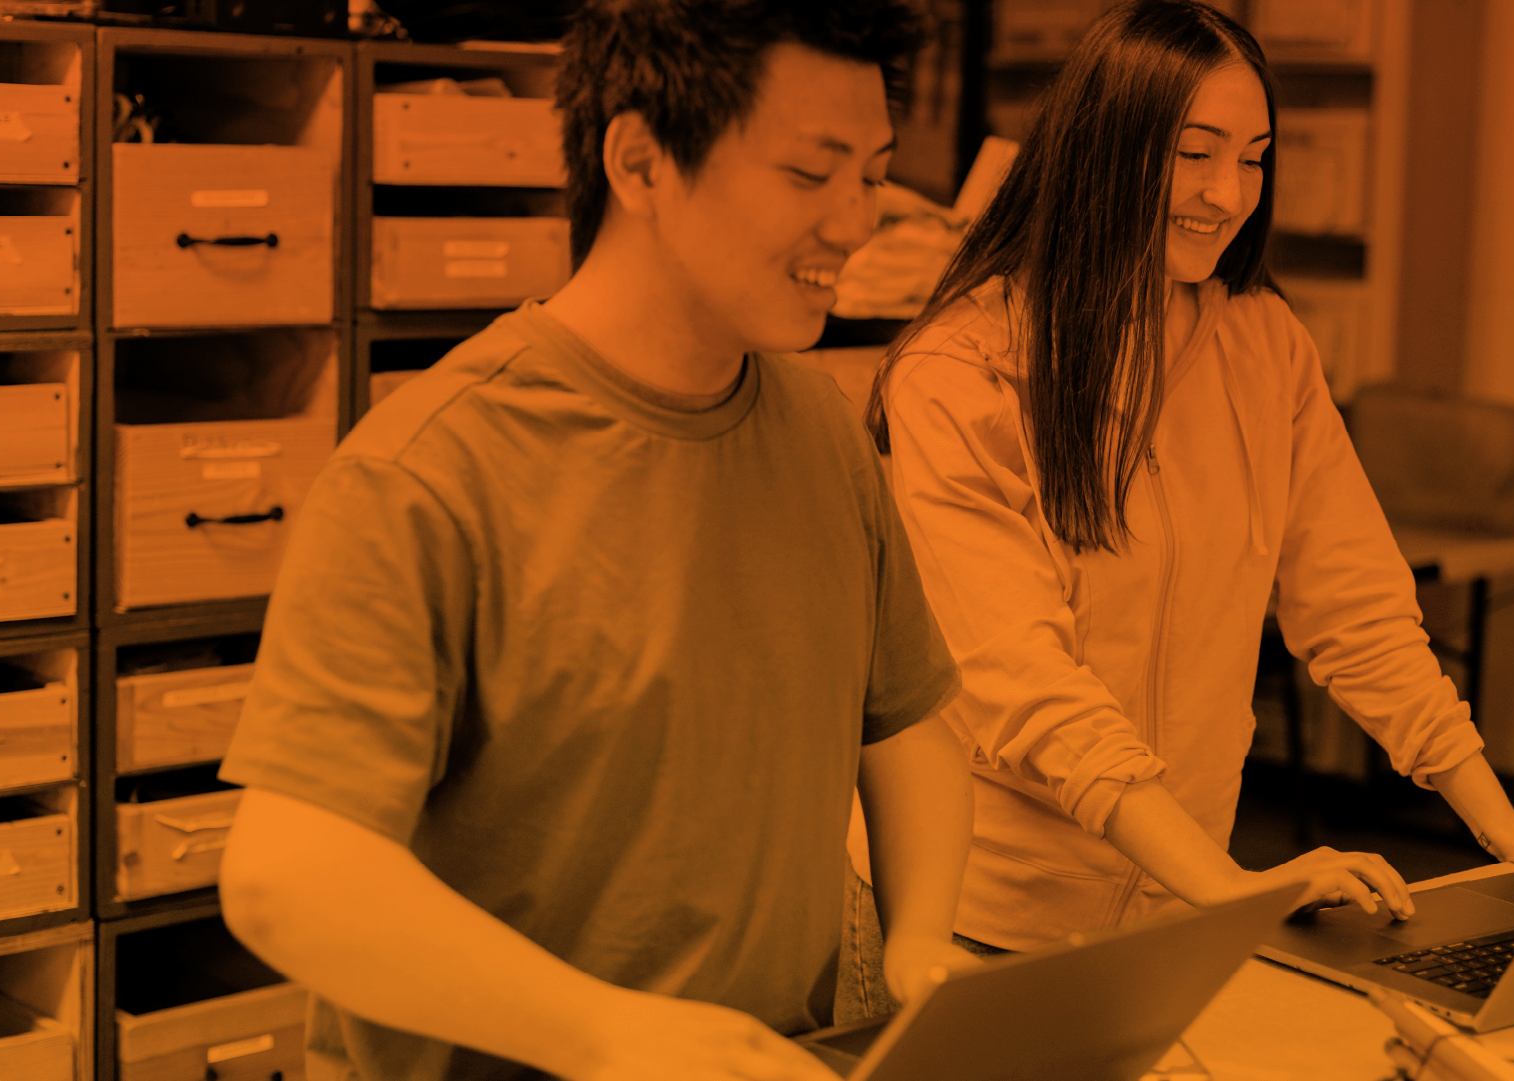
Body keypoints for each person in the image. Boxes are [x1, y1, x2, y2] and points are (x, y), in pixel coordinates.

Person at [216, 3, 976, 1080]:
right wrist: (606, 1033)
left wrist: (920, 942)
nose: (856, 223)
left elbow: (907, 732)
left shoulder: (818, 432)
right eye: (812, 176)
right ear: (640, 160)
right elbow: (285, 874)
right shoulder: (426, 473)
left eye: (874, 174)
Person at [856, 0, 1514, 957]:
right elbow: (1027, 680)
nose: (1228, 191)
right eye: (1194, 151)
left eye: (1253, 156)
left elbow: (1355, 605)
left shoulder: (1263, 344)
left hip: (1175, 908)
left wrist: (1500, 819)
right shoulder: (964, 367)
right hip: (984, 912)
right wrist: (1230, 886)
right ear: (1103, 146)